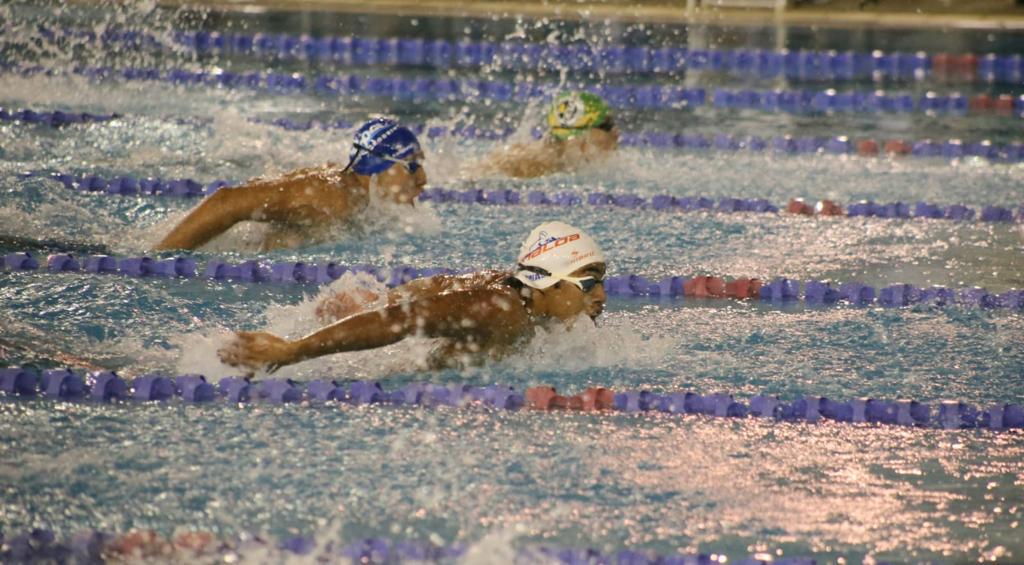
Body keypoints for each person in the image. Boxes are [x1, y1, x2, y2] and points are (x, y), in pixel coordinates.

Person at [217, 221, 608, 373]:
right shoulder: (499, 309)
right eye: (589, 283)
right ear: (550, 283)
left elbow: (439, 284)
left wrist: (379, 299)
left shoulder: (516, 292)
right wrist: (294, 350)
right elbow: (402, 320)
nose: (602, 296)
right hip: (394, 374)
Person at [154, 117, 427, 251]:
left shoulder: (360, 199)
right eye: (411, 166)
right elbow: (227, 201)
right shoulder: (331, 198)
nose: (422, 178)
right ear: (377, 165)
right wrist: (161, 258)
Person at [477, 91, 619, 179]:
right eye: (607, 125)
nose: (616, 133)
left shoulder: (561, 164)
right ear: (583, 132)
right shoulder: (535, 163)